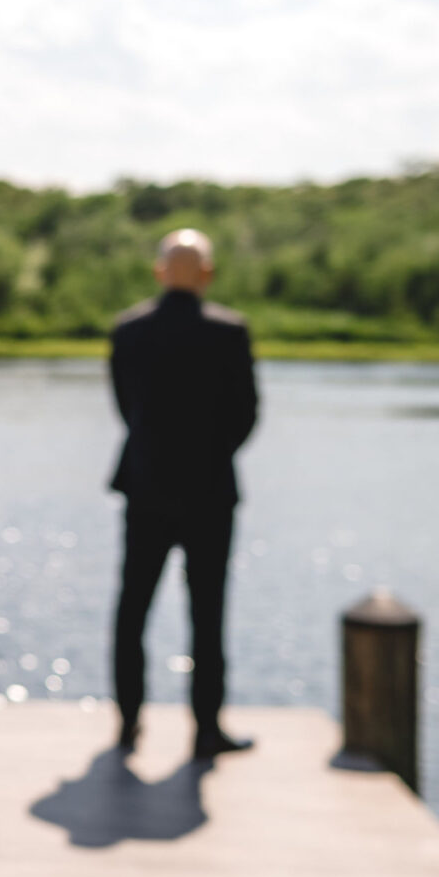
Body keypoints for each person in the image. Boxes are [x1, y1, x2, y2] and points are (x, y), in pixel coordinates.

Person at [106, 226, 260, 760]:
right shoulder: (230, 332)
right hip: (211, 493)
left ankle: (128, 726)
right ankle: (207, 731)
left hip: (145, 487)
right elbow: (246, 416)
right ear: (209, 275)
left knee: (133, 610)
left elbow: (125, 407)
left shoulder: (128, 331)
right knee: (208, 615)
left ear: (159, 271)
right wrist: (210, 457)